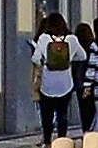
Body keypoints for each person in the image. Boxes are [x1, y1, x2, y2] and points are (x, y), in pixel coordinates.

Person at [34, 11, 80, 139]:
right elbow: (83, 55)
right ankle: (62, 141)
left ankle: (47, 142)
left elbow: (36, 58)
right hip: (65, 83)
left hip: (47, 83)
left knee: (47, 115)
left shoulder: (43, 38)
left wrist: (44, 62)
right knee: (62, 114)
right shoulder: (72, 39)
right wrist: (69, 59)